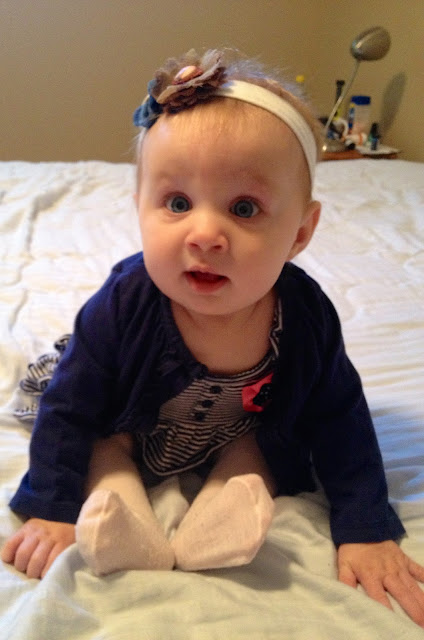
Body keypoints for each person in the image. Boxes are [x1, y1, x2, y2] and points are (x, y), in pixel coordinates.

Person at [2, 48, 424, 626]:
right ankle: (117, 502)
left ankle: (225, 509)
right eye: (177, 203)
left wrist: (365, 526)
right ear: (139, 208)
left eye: (244, 208)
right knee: (107, 442)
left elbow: (339, 417)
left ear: (300, 232)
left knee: (261, 448)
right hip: (125, 419)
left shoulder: (304, 317)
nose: (205, 234)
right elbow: (70, 408)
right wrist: (51, 506)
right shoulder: (124, 304)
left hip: (237, 427)